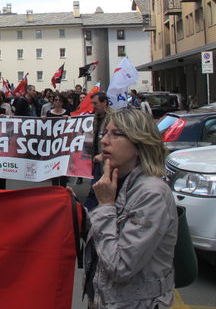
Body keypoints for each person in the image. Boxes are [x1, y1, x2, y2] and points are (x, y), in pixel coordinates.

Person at [84, 108, 177, 309]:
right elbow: (102, 236)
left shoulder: (152, 194)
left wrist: (106, 206)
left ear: (138, 144)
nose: (105, 141)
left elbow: (120, 266)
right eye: (105, 133)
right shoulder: (113, 181)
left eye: (116, 134)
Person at [85, 92, 111, 210]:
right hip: (96, 159)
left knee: (96, 188)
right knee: (96, 187)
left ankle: (89, 213)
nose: (93, 106)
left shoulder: (113, 119)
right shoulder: (95, 117)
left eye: (95, 103)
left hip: (106, 161)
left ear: (104, 102)